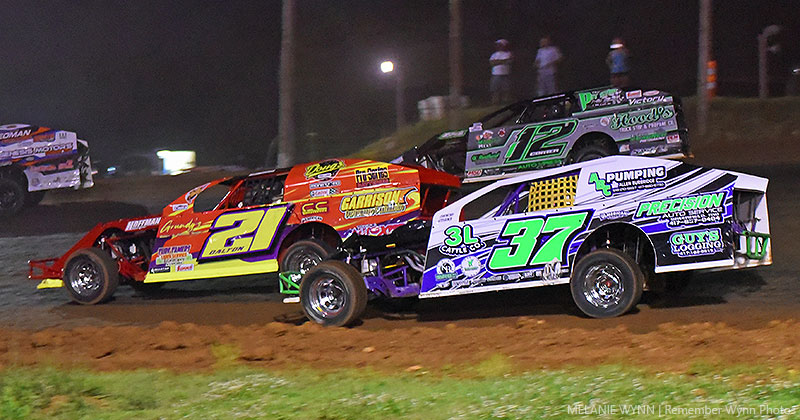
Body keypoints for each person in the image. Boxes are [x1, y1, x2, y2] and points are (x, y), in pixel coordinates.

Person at [489, 39, 513, 104]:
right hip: (495, 74)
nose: (498, 46)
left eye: (500, 45)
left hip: (505, 74)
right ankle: (495, 102)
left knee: (506, 90)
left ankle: (505, 102)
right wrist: (502, 61)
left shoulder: (508, 54)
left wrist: (497, 62)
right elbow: (491, 63)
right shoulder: (494, 54)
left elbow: (509, 61)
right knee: (495, 89)